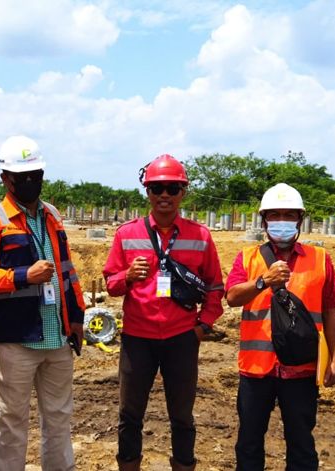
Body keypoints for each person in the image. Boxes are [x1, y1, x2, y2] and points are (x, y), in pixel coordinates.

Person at [102, 154, 224, 471]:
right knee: (130, 415)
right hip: (137, 339)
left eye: (172, 188)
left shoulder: (200, 236)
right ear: (148, 192)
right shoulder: (127, 234)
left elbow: (215, 287)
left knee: (182, 416)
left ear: (183, 191)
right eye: (157, 188)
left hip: (181, 338)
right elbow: (111, 284)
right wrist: (127, 276)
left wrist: (203, 326)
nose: (164, 195)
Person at [0, 135, 86, 471]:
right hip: (15, 341)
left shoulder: (52, 215)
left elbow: (67, 271)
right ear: (5, 179)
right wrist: (24, 275)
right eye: (22, 177)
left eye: (36, 175)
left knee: (59, 419)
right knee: (9, 423)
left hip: (57, 338)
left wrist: (77, 317)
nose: (30, 182)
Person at [224, 183, 335, 471]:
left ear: (300, 220)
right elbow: (232, 297)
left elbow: (331, 311)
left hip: (302, 369)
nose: (282, 221)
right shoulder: (248, 257)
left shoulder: (320, 260)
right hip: (256, 369)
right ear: (264, 221)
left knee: (302, 444)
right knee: (249, 443)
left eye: (289, 215)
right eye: (275, 215)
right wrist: (263, 281)